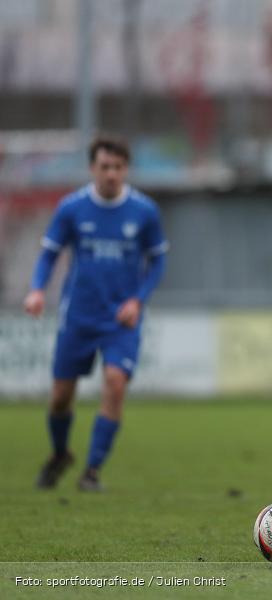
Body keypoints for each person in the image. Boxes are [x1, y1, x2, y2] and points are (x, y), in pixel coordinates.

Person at [25, 135, 168, 492]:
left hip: (122, 319)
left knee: (115, 384)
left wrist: (138, 300)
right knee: (61, 397)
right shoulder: (71, 208)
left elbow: (157, 260)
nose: (111, 174)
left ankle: (91, 471)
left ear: (126, 169)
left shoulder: (144, 211)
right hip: (78, 316)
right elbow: (49, 254)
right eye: (105, 167)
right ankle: (60, 454)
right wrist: (38, 289)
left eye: (118, 167)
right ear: (92, 168)